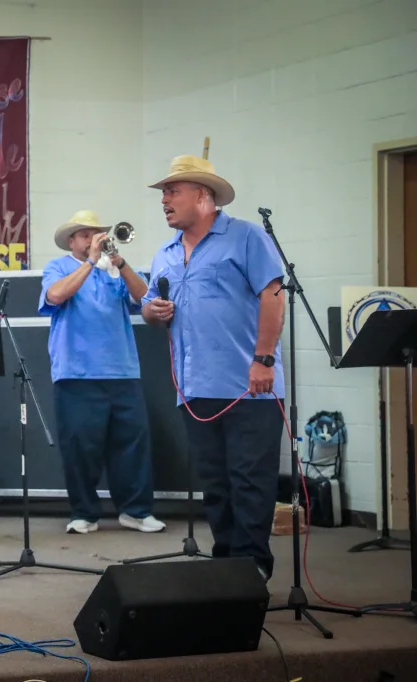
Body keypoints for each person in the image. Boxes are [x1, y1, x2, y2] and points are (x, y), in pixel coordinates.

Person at [139, 154, 286, 581]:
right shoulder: (165, 253)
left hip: (248, 386)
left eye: (172, 191)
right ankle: (226, 568)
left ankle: (252, 568)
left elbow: (274, 296)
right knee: (216, 485)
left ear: (203, 196)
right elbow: (147, 307)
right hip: (194, 389)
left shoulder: (245, 237)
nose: (164, 200)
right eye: (164, 193)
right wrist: (153, 312)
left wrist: (263, 359)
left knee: (250, 481)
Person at [40, 210, 166, 535]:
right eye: (85, 235)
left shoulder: (114, 269)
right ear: (71, 241)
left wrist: (120, 264)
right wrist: (90, 262)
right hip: (76, 373)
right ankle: (84, 513)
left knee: (133, 445)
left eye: (97, 234)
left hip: (123, 371)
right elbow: (55, 295)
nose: (93, 240)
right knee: (80, 448)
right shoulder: (58, 267)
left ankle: (136, 511)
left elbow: (145, 297)